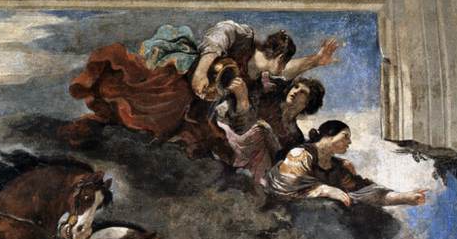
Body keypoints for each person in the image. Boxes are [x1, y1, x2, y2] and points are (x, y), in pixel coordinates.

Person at [62, 19, 340, 151]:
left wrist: (243, 98)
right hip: (180, 80)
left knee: (199, 137)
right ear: (277, 57)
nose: (283, 71)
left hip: (200, 107)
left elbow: (244, 122)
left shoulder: (255, 84)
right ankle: (99, 124)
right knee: (148, 103)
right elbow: (222, 31)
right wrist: (202, 71)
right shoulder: (244, 39)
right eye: (283, 62)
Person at [264, 120, 427, 207]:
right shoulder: (300, 154)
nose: (349, 142)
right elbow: (284, 186)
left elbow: (363, 192)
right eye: (345, 136)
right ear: (328, 135)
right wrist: (325, 190)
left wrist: (403, 197)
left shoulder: (339, 168)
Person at [214, 76, 324, 184]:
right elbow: (241, 123)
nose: (295, 91)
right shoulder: (268, 101)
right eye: (295, 87)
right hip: (237, 141)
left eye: (303, 92)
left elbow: (280, 161)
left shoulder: (296, 136)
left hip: (259, 164)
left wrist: (270, 138)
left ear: (308, 102)